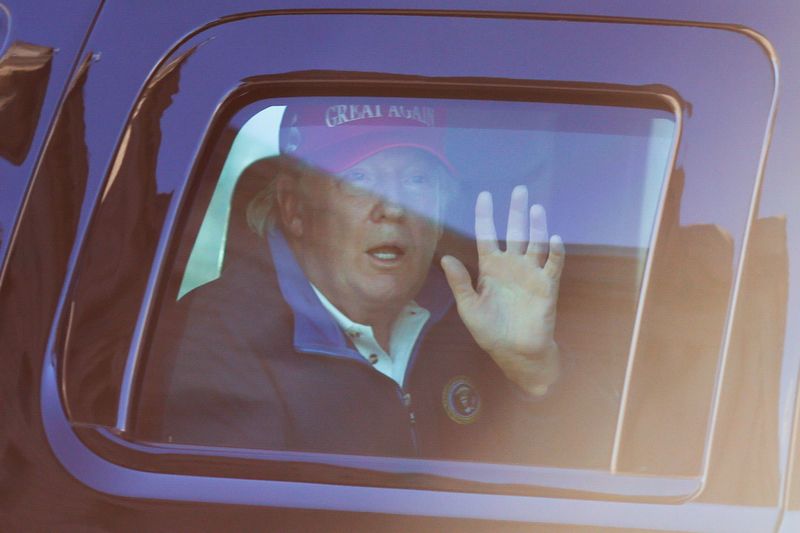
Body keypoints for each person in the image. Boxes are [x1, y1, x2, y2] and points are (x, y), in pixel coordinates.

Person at [156, 101, 564, 460]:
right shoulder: (213, 340)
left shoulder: (477, 319)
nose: (392, 207)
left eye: (416, 181)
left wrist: (534, 374)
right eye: (359, 180)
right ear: (295, 208)